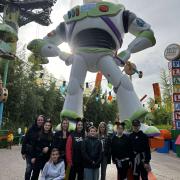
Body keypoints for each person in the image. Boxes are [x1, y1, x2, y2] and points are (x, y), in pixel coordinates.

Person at [21, 115, 45, 180]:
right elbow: (25, 140)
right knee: (29, 169)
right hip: (29, 152)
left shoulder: (45, 130)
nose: (40, 121)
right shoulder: (31, 129)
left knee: (36, 172)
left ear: (44, 121)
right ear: (36, 121)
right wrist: (23, 152)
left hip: (39, 154)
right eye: (39, 120)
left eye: (41, 120)